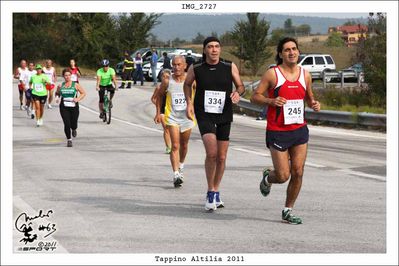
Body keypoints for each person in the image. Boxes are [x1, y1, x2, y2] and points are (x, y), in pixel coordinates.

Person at [250, 37, 321, 225]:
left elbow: (309, 97)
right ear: (281, 54)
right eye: (287, 49)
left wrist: (313, 103)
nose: (292, 52)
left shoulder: (305, 75)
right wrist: (270, 101)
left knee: (298, 172)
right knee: (283, 176)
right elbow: (254, 97)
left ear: (298, 52)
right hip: (278, 130)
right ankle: (268, 177)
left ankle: (288, 210)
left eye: (294, 49)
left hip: (299, 129)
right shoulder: (273, 74)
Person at [183, 37, 245, 211]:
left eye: (217, 47)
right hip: (204, 113)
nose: (214, 50)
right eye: (210, 47)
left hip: (224, 112)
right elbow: (187, 84)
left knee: (222, 157)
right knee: (212, 153)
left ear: (220, 49)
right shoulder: (196, 67)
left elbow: (240, 85)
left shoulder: (229, 66)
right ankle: (210, 190)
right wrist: (189, 103)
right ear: (204, 50)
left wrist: (237, 93)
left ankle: (216, 189)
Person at [154, 56, 196, 188]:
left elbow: (200, 95)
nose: (176, 67)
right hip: (172, 117)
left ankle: (181, 165)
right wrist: (159, 113)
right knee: (175, 146)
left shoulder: (191, 81)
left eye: (178, 65)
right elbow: (159, 96)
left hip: (187, 118)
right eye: (173, 65)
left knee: (184, 145)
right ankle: (176, 173)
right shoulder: (167, 81)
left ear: (185, 66)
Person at [55, 69, 86, 147]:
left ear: (71, 76)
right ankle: (69, 140)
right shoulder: (60, 85)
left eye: (69, 75)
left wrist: (77, 99)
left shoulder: (75, 85)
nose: (67, 77)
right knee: (66, 123)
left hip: (74, 106)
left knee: (73, 123)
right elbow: (57, 93)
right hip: (64, 106)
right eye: (66, 75)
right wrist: (57, 98)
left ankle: (74, 129)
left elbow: (83, 93)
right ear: (63, 76)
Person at [151, 82, 172, 154]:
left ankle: (175, 145)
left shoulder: (173, 88)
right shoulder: (159, 88)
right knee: (166, 128)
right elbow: (153, 99)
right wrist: (159, 106)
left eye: (167, 77)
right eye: (163, 76)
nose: (165, 78)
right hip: (163, 111)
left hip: (172, 111)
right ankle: (168, 147)